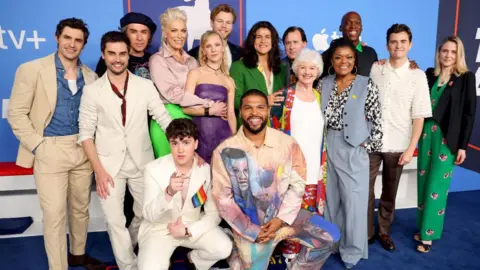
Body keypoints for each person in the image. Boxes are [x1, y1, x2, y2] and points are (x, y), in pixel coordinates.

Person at [7, 18, 105, 270]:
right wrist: (39, 146)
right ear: (57, 38)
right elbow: (16, 113)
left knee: (80, 210)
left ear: (83, 44)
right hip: (50, 148)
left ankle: (79, 255)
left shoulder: (91, 77)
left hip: (82, 148)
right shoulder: (31, 69)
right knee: (54, 216)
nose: (72, 44)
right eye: (67, 38)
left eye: (78, 40)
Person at [211, 90, 340, 270]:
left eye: (260, 107)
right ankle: (236, 252)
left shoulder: (287, 144)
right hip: (251, 229)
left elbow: (297, 186)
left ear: (268, 111)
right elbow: (223, 199)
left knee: (330, 235)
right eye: (248, 108)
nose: (254, 113)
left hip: (285, 218)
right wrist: (252, 231)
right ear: (240, 112)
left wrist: (280, 219)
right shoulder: (224, 151)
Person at [78, 31, 171, 270]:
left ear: (128, 54)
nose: (117, 59)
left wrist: (184, 143)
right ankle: (128, 266)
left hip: (142, 162)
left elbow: (163, 118)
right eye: (112, 54)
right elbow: (86, 134)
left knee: (144, 214)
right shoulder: (92, 91)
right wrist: (98, 170)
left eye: (122, 53)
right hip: (108, 166)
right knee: (114, 220)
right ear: (103, 55)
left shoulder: (145, 86)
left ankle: (127, 247)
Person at [318, 37, 382, 268]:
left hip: (354, 147)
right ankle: (332, 243)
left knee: (354, 202)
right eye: (338, 57)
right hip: (327, 146)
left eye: (349, 57)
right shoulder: (323, 83)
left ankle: (352, 251)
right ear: (331, 61)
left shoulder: (367, 84)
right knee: (331, 199)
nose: (343, 61)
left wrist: (366, 146)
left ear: (355, 60)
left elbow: (376, 120)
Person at [368, 24, 432, 251]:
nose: (398, 46)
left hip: (398, 144)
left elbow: (419, 116)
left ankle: (384, 232)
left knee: (389, 192)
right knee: (366, 190)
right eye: (394, 41)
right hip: (372, 142)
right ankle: (366, 233)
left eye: (403, 41)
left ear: (410, 44)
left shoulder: (417, 75)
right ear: (387, 45)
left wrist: (411, 147)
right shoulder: (377, 69)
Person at [137, 118, 232, 270]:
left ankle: (194, 259)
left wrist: (189, 231)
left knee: (224, 247)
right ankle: (162, 260)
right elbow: (148, 215)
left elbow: (213, 214)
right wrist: (168, 193)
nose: (180, 150)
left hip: (190, 224)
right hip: (160, 229)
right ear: (170, 144)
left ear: (195, 144)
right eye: (175, 143)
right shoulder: (152, 169)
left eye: (186, 142)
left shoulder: (205, 170)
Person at [415, 36, 477, 253]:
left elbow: (469, 114)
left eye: (453, 52)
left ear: (458, 54)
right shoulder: (429, 75)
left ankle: (428, 235)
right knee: (422, 182)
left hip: (447, 139)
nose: (448, 55)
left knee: (436, 187)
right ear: (439, 52)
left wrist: (462, 146)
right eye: (445, 51)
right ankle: (422, 225)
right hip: (425, 135)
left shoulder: (466, 78)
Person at [271, 48, 327, 261]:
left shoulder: (320, 97)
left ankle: (307, 253)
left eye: (312, 68)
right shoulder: (285, 95)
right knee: (290, 210)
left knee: (310, 212)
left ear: (318, 71)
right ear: (296, 69)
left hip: (314, 165)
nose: (307, 72)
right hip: (291, 165)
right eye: (303, 67)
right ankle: (289, 254)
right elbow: (273, 129)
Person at [149, 7, 217, 158]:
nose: (180, 36)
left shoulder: (192, 61)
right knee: (170, 173)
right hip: (167, 119)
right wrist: (207, 104)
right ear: (165, 34)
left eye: (183, 30)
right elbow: (174, 94)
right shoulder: (157, 60)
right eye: (174, 31)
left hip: (193, 119)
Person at [182, 30, 236, 163]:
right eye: (208, 46)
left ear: (222, 48)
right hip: (201, 136)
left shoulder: (229, 80)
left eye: (217, 45)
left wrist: (235, 139)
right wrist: (210, 110)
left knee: (223, 179)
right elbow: (186, 108)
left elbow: (231, 113)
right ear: (203, 51)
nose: (213, 50)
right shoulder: (195, 73)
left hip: (224, 135)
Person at [230, 21, 286, 125]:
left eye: (267, 37)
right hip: (249, 127)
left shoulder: (282, 69)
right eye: (259, 37)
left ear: (273, 41)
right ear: (252, 40)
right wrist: (263, 102)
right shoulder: (238, 67)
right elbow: (235, 100)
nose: (263, 41)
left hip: (276, 129)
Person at [95, 12, 157, 79]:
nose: (139, 38)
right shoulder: (111, 59)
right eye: (133, 32)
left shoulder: (154, 60)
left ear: (149, 36)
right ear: (125, 34)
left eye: (144, 32)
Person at [320, 11, 378, 79]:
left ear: (361, 27)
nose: (353, 26)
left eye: (357, 23)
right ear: (340, 28)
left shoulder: (370, 53)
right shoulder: (328, 55)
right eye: (348, 23)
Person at [188, 4, 243, 68]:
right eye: (220, 21)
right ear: (212, 23)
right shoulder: (193, 55)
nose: (224, 26)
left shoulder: (240, 53)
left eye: (228, 22)